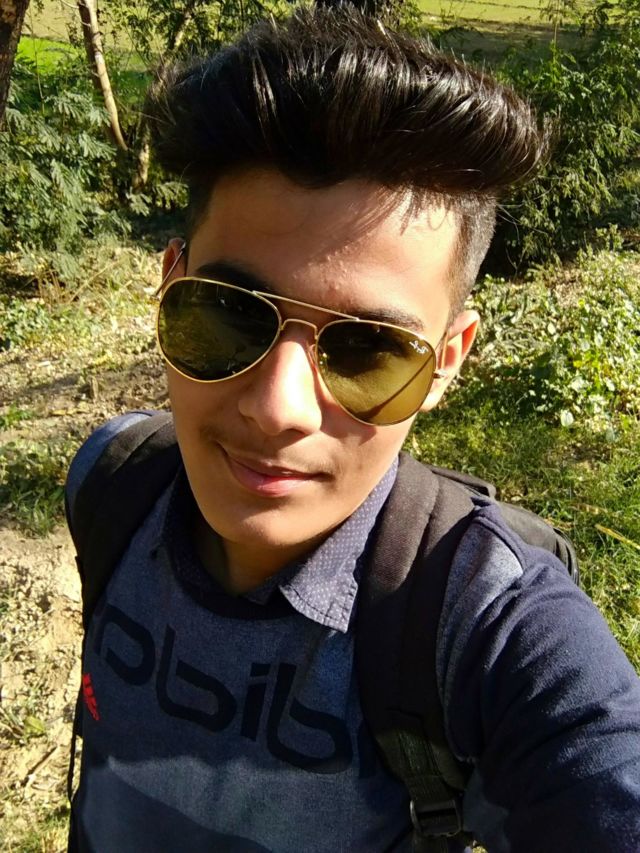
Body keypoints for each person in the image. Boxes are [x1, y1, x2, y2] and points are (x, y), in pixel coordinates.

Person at [65, 6, 640, 851]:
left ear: (446, 363)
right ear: (168, 286)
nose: (278, 408)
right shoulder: (112, 479)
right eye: (228, 313)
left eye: (370, 349)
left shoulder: (485, 628)